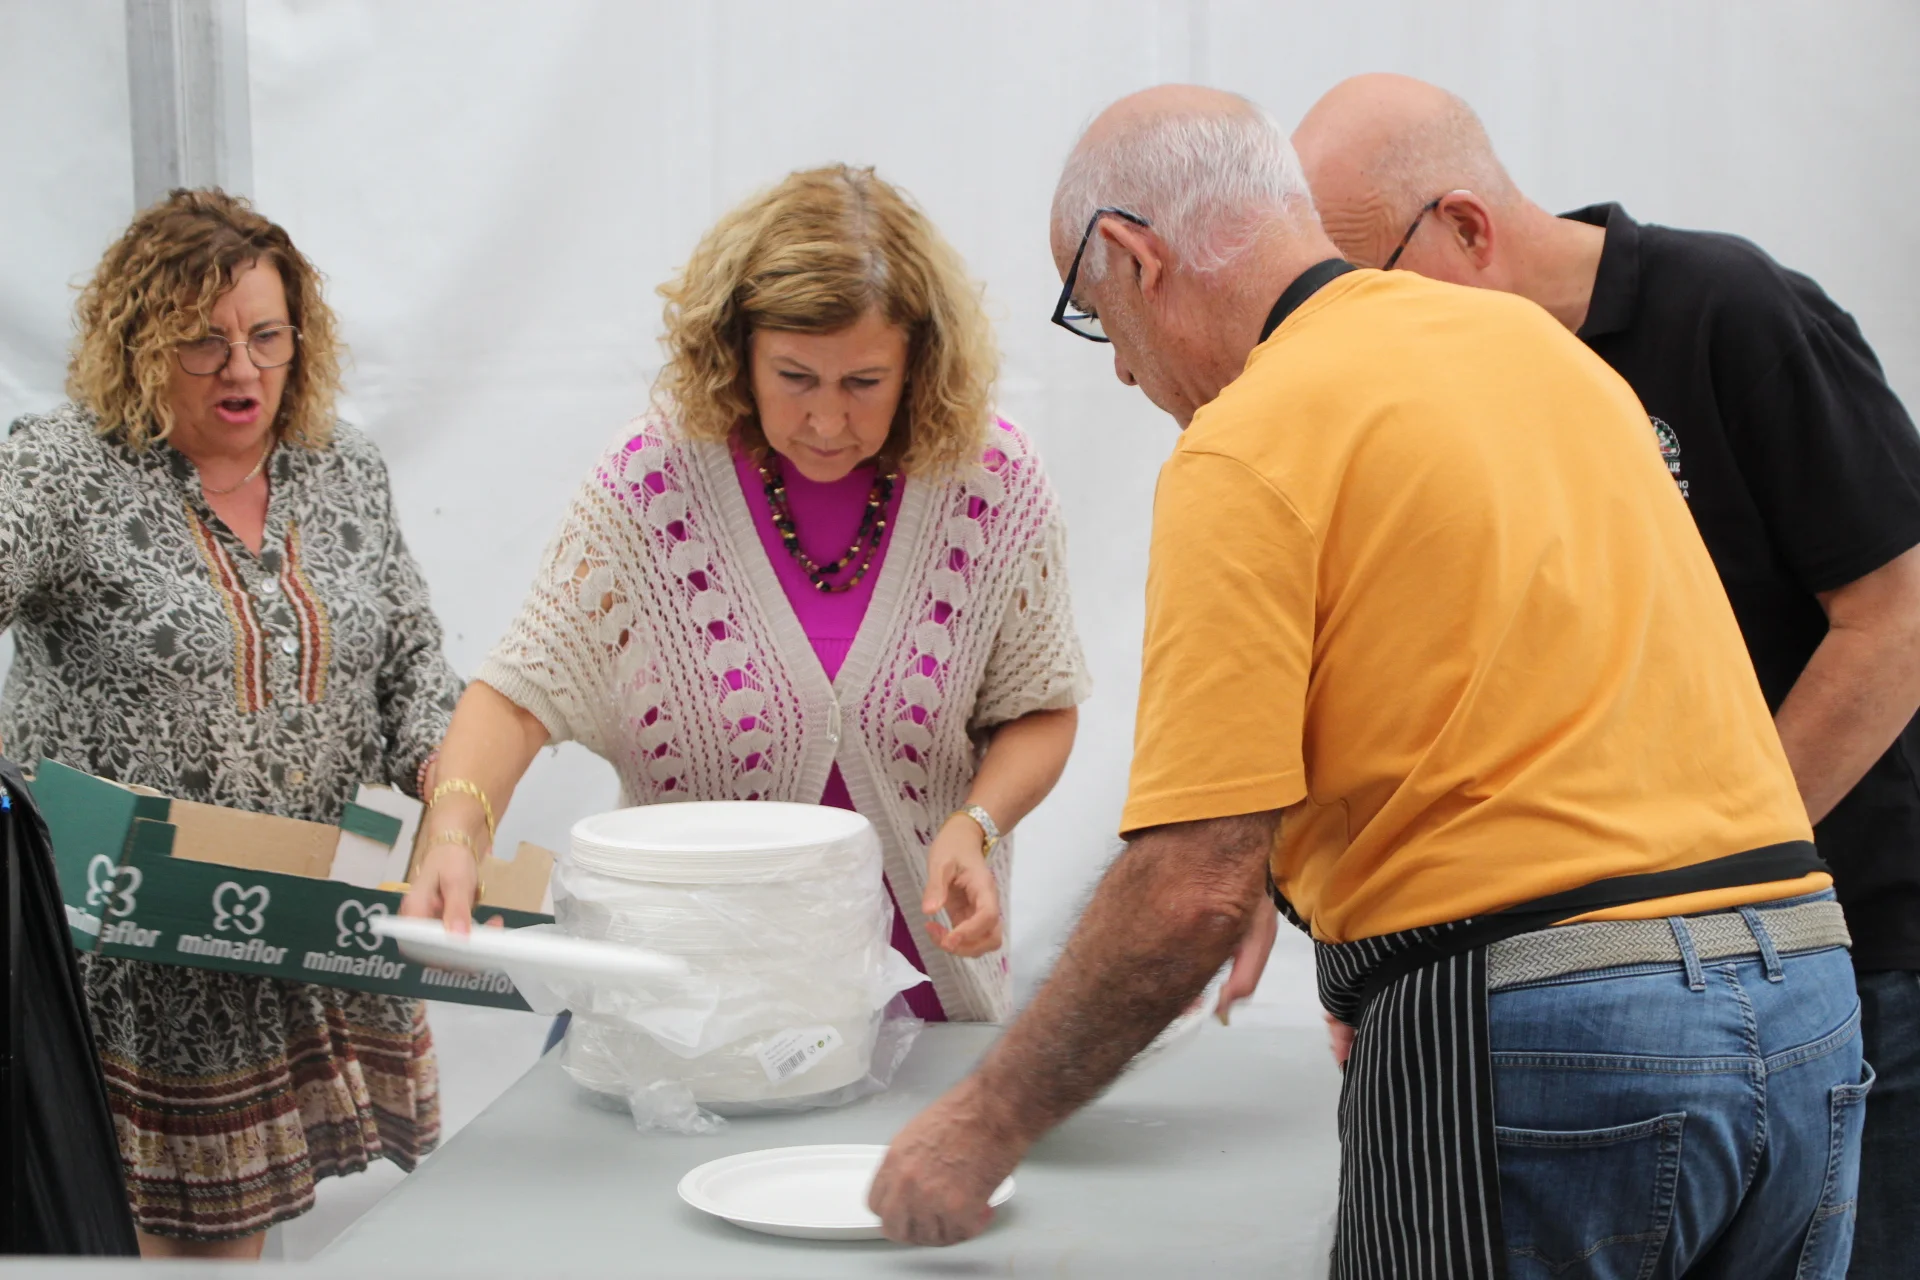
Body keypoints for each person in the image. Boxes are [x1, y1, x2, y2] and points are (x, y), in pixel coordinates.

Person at [870, 86, 1868, 1280]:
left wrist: (980, 1123)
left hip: (1543, 1027)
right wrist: (1361, 945)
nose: (1126, 373)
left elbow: (1192, 883)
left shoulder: (1250, 437)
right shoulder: (1547, 356)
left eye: (1099, 318)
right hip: (1803, 997)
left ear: (1136, 256)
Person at [1292, 73, 1920, 1279]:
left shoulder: (1726, 311)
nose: (1354, 332)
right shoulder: (1433, 401)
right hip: (1599, 985)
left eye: (1371, 285)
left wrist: (1710, 872)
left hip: (1838, 945)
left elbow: (1895, 613)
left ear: (1466, 225)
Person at [401, 165, 1089, 1026]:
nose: (828, 420)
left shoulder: (991, 483)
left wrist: (975, 823)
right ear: (737, 352)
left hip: (922, 1012)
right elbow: (518, 695)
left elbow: (1040, 706)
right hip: (690, 1019)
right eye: (795, 377)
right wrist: (455, 830)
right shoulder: (652, 486)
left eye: (864, 382)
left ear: (920, 363)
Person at [0, 189, 460, 1258]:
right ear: (138, 344)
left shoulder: (341, 469)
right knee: (142, 1244)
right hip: (131, 961)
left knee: (235, 1246)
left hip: (292, 924)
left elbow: (409, 658)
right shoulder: (64, 469)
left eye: (266, 336)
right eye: (201, 342)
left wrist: (454, 775)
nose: (241, 369)